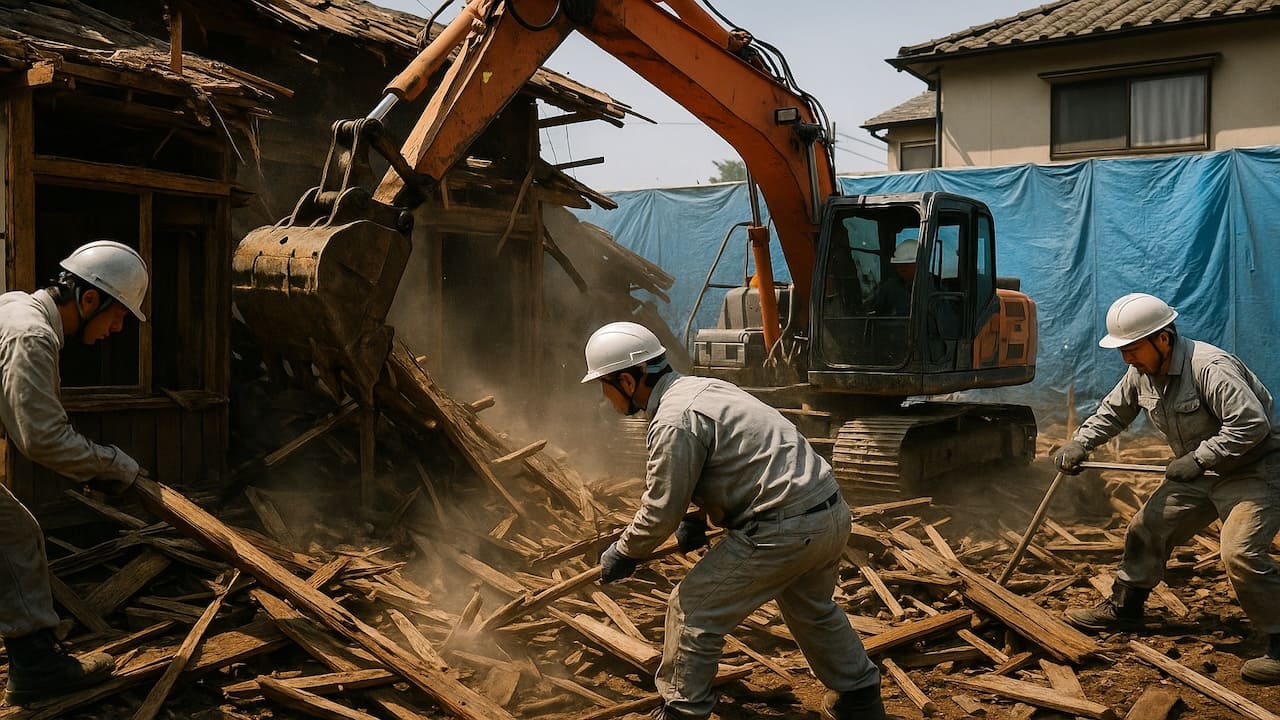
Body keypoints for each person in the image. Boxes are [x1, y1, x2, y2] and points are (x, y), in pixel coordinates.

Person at [581, 321, 884, 720]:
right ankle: (860, 696)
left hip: (782, 528)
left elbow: (658, 511)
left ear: (627, 380)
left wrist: (624, 551)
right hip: (829, 513)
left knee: (692, 610)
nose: (605, 398)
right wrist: (696, 515)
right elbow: (734, 460)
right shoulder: (704, 389)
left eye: (604, 386)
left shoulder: (673, 419)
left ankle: (683, 711)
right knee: (812, 608)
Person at [1053, 293, 1280, 684]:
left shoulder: (1210, 368)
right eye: (1123, 350)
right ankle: (1126, 608)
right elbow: (1114, 411)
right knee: (1147, 526)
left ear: (1164, 338)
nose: (1128, 359)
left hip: (1253, 470)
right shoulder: (1142, 371)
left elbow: (1251, 425)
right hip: (1200, 474)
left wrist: (1201, 457)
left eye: (1133, 349)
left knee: (1240, 553)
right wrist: (1081, 441)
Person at [0, 239, 151, 705]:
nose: (118, 328)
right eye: (118, 315)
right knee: (15, 534)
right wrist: (115, 466)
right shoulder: (32, 336)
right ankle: (38, 667)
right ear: (89, 300)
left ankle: (34, 663)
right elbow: (41, 438)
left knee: (13, 533)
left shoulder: (16, 308)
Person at [870, 238, 917, 317]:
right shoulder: (888, 288)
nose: (902, 267)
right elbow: (873, 313)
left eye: (907, 263)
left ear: (919, 263)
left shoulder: (936, 287)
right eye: (899, 264)